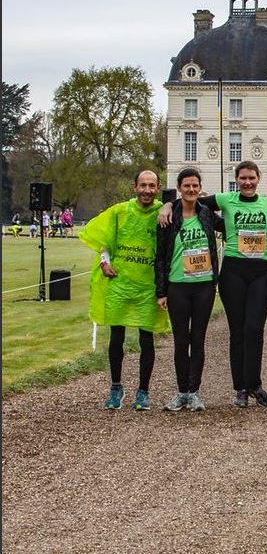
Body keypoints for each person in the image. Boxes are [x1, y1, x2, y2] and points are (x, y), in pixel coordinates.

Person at [160, 160, 267, 408]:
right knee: (237, 331)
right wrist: (166, 205)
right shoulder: (225, 200)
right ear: (237, 180)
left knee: (254, 329)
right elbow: (192, 199)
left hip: (261, 272)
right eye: (243, 178)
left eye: (252, 178)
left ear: (259, 179)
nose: (247, 182)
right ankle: (239, 388)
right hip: (233, 271)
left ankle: (254, 384)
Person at [80, 170, 169, 410]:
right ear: (135, 187)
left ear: (158, 188)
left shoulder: (163, 211)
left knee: (146, 338)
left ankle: (143, 391)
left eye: (152, 186)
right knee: (116, 337)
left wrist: (169, 205)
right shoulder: (119, 211)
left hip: (147, 285)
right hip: (120, 282)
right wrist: (104, 261)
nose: (147, 190)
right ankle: (116, 387)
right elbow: (103, 239)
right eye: (143, 185)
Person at [155, 168, 221, 412]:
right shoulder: (168, 217)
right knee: (181, 341)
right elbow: (160, 256)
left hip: (203, 285)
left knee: (199, 338)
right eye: (187, 186)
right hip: (178, 286)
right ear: (180, 188)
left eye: (195, 186)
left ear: (200, 188)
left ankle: (194, 392)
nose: (191, 190)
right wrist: (161, 291)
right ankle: (181, 391)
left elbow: (232, 228)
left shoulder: (207, 214)